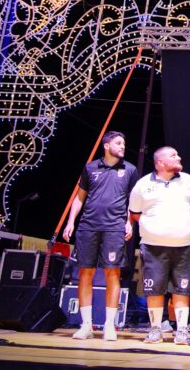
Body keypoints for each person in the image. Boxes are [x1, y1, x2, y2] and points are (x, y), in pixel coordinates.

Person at [63, 130, 139, 341]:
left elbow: (134, 201)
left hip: (114, 228)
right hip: (88, 227)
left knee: (112, 273)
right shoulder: (91, 167)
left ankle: (109, 325)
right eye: (118, 143)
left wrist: (129, 221)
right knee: (85, 273)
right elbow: (79, 198)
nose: (123, 146)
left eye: (124, 143)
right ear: (106, 146)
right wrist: (71, 221)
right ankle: (86, 324)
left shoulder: (130, 170)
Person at [128, 146, 190, 344]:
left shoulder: (189, 181)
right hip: (153, 247)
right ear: (160, 163)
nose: (179, 157)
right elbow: (134, 212)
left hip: (184, 246)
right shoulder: (143, 184)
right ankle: (155, 330)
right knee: (155, 288)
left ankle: (182, 330)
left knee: (183, 289)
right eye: (173, 155)